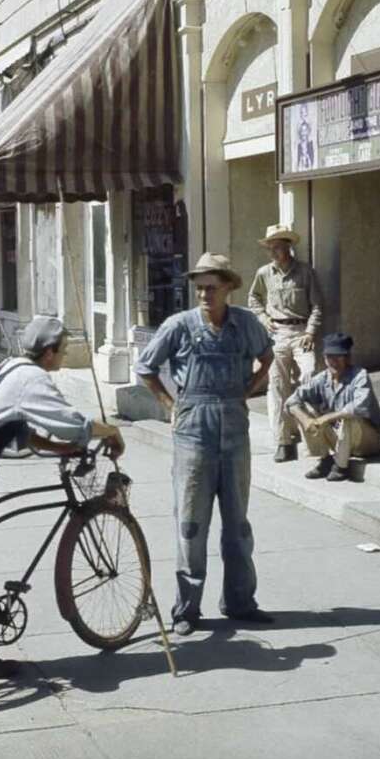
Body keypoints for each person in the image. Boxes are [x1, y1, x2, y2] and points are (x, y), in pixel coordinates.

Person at [0, 315, 125, 679]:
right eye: (61, 351)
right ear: (48, 352)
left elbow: (25, 436)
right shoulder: (31, 378)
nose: (62, 357)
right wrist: (108, 431)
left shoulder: (11, 369)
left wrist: (63, 450)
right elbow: (67, 420)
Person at [135, 252, 274, 637]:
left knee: (237, 522)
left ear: (229, 287)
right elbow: (145, 367)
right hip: (193, 425)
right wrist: (169, 404)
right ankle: (187, 608)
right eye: (199, 287)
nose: (204, 294)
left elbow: (267, 357)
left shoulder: (245, 323)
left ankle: (240, 601)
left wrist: (246, 391)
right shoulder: (178, 325)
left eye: (211, 287)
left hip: (233, 424)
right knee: (191, 523)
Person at [247, 224, 323, 463]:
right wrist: (263, 318)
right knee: (278, 386)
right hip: (277, 334)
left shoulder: (305, 272)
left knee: (309, 377)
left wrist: (310, 332)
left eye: (279, 246)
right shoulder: (264, 273)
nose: (274, 251)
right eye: (271, 246)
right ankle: (283, 441)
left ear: (289, 247)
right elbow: (254, 298)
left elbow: (318, 306)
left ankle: (314, 435)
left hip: (301, 332)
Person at [285, 332, 380, 482]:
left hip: (366, 442)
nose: (333, 362)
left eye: (338, 357)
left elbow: (358, 406)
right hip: (340, 439)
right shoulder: (322, 378)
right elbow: (291, 401)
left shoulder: (360, 375)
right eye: (329, 357)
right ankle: (326, 459)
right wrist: (306, 420)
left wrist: (326, 417)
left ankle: (341, 467)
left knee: (348, 416)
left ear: (347, 358)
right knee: (303, 408)